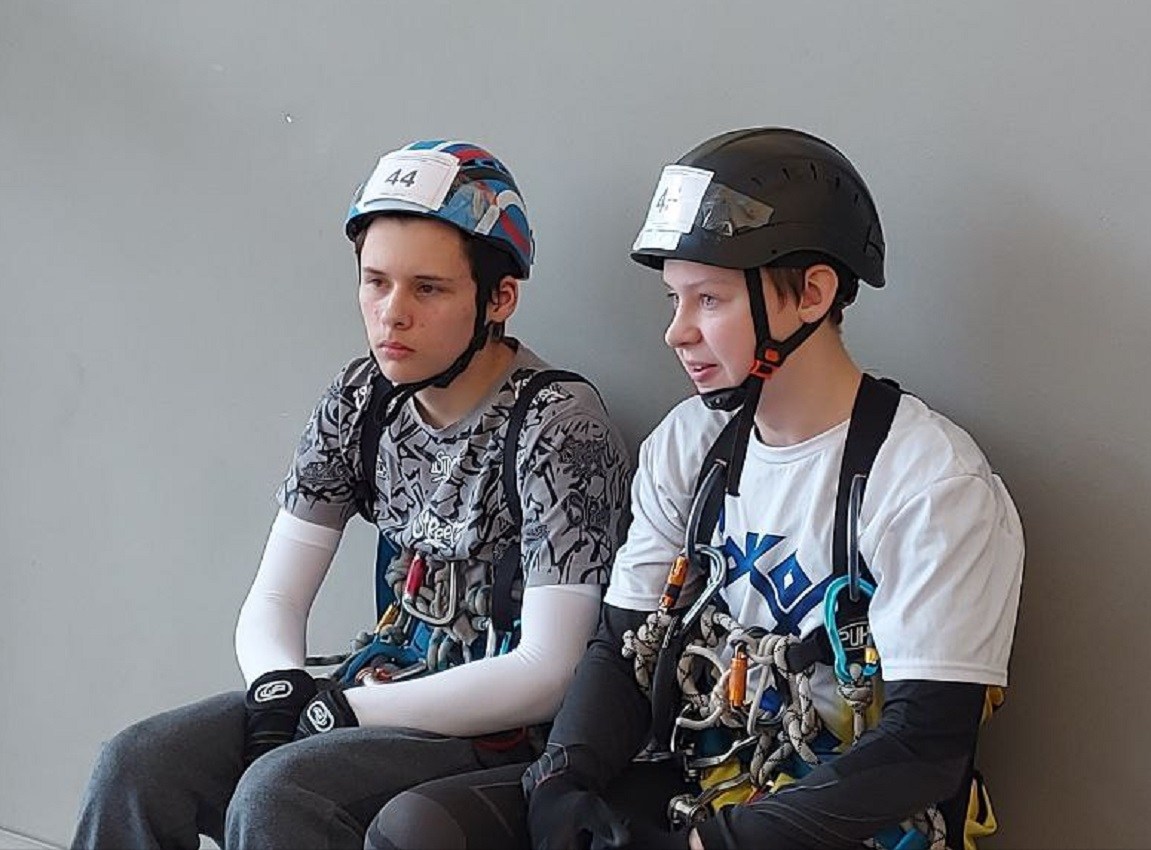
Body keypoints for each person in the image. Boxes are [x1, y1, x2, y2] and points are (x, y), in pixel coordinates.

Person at [364, 127, 1024, 850]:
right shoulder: (688, 441)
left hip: (840, 820)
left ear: (812, 293)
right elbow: (621, 651)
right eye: (674, 300)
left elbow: (923, 747)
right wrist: (562, 782)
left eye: (708, 300)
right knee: (419, 827)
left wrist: (712, 845)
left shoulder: (931, 480)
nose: (676, 333)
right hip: (690, 779)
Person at [70, 139, 631, 850]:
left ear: (499, 298)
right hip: (376, 686)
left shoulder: (557, 423)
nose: (391, 314)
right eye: (375, 282)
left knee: (282, 793)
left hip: (502, 729)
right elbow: (276, 596)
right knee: (138, 764)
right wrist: (278, 690)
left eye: (428, 289)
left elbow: (548, 672)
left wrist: (349, 712)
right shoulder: (362, 398)